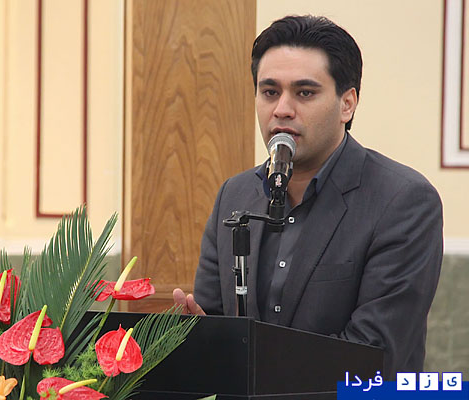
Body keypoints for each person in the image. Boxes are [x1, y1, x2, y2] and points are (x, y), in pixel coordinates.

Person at [173, 15, 443, 379]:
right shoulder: (234, 195)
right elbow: (214, 323)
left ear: (347, 104)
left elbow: (373, 354)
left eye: (304, 93)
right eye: (270, 92)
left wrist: (246, 366)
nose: (282, 109)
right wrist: (198, 341)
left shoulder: (403, 201)